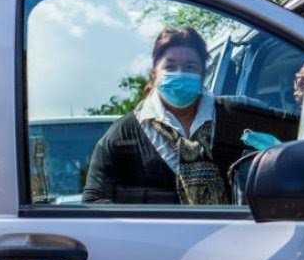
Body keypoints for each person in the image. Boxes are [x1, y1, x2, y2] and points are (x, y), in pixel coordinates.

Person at [83, 26, 236, 204]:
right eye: (170, 66)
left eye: (190, 66)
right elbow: (94, 200)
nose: (180, 73)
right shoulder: (122, 135)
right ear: (154, 73)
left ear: (203, 73)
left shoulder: (234, 120)